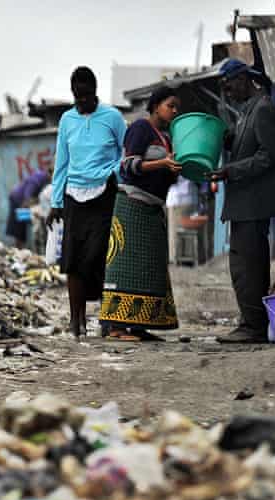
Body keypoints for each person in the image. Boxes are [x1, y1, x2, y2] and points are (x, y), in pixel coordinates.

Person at [210, 58, 275, 344]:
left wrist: (230, 171)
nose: (229, 93)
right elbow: (246, 147)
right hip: (245, 205)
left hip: (254, 205)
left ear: (244, 79)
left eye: (231, 87)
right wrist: (225, 138)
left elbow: (268, 157)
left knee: (249, 266)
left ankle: (254, 326)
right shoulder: (248, 111)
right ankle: (250, 321)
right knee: (244, 265)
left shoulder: (263, 108)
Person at [47, 66, 126, 338]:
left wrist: (113, 173)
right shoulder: (67, 120)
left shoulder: (113, 118)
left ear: (95, 92)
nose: (81, 102)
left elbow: (125, 153)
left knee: (101, 256)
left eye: (86, 96)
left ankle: (106, 318)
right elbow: (62, 162)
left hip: (104, 194)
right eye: (77, 96)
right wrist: (56, 201)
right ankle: (75, 320)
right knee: (73, 260)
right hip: (73, 196)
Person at [99, 87, 183, 342]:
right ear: (156, 105)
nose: (174, 111)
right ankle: (115, 326)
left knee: (148, 267)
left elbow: (166, 174)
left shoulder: (166, 136)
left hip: (153, 207)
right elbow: (129, 165)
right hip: (132, 206)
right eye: (171, 105)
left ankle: (138, 324)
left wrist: (175, 169)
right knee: (125, 266)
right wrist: (163, 163)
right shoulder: (140, 129)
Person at [6, 165, 51, 248]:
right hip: (17, 199)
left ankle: (19, 247)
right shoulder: (38, 179)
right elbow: (27, 196)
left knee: (21, 227)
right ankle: (18, 248)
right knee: (18, 227)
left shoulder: (43, 179)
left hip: (19, 199)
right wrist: (29, 205)